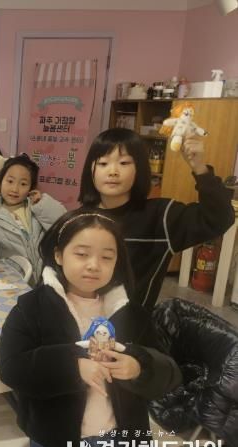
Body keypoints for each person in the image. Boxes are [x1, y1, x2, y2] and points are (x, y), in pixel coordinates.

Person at [0, 210, 181, 447]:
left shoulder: (131, 314)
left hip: (112, 438)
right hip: (53, 438)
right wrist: (71, 366)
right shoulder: (33, 308)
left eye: (106, 257)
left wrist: (139, 366)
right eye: (82, 254)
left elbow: (169, 373)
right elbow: (10, 366)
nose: (94, 265)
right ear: (59, 255)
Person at [78, 128, 234, 310]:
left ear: (139, 170)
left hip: (129, 324)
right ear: (91, 170)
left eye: (124, 162)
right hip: (78, 319)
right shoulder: (79, 219)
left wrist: (199, 167)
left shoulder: (160, 216)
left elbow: (219, 218)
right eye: (103, 163)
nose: (113, 171)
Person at [0, 154, 66, 283]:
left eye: (23, 184)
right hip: (15, 283)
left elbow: (64, 227)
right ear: (0, 182)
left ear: (31, 188)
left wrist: (42, 204)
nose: (15, 189)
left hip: (47, 281)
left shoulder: (37, 208)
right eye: (10, 181)